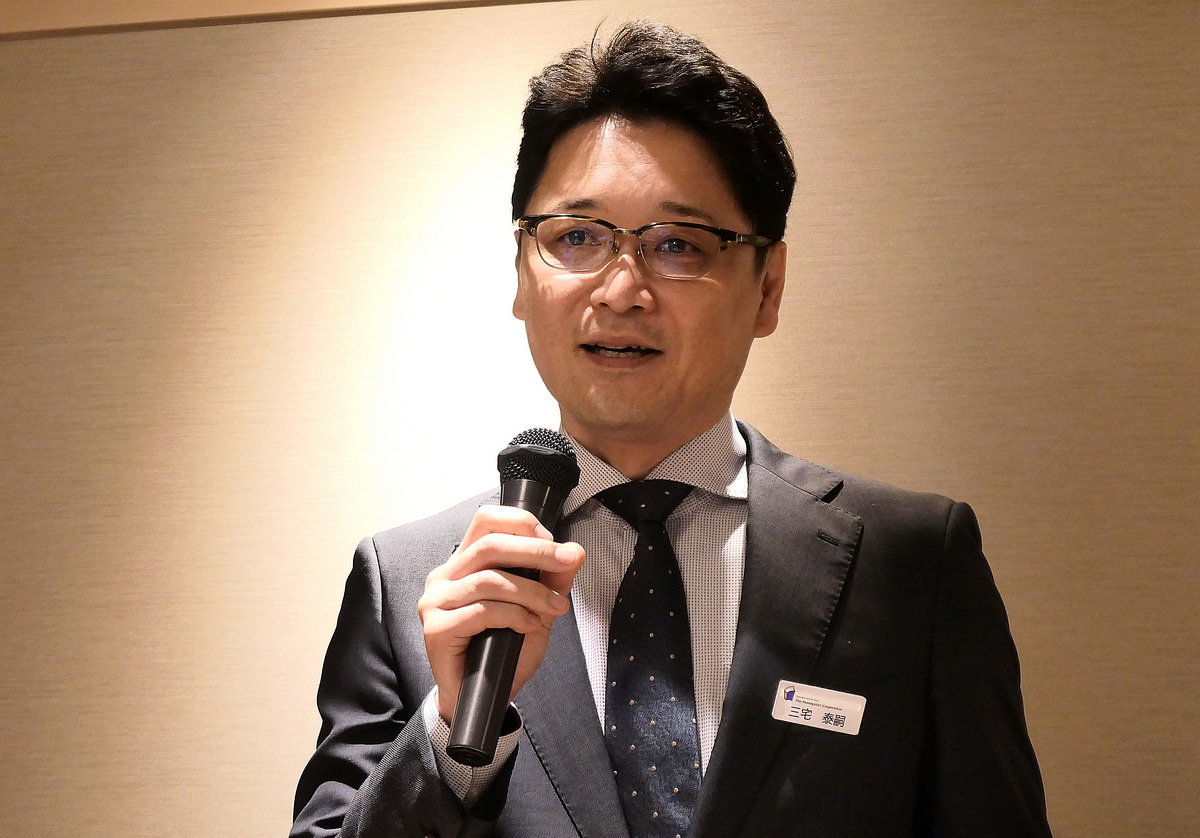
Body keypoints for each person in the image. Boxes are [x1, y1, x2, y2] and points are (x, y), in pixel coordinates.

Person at [291, 21, 1052, 838]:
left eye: (679, 245)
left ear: (768, 288)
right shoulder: (409, 582)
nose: (620, 290)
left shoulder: (912, 564)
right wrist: (450, 736)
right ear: (520, 272)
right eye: (576, 237)